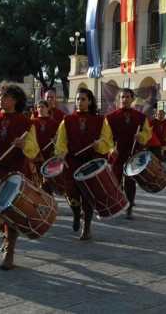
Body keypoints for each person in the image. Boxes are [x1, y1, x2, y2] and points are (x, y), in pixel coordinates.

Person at [0, 82, 40, 270]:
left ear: (15, 100)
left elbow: (34, 150)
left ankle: (9, 251)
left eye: (5, 96)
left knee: (10, 210)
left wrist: (23, 145)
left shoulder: (26, 123)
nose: (0, 99)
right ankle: (5, 235)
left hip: (15, 172)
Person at [54, 87, 113, 241]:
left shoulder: (101, 120)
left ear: (90, 101)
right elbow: (61, 141)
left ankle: (86, 228)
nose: (80, 102)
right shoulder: (67, 120)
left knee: (87, 196)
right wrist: (61, 155)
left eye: (83, 99)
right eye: (78, 99)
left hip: (91, 162)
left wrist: (99, 145)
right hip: (72, 162)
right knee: (71, 193)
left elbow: (107, 141)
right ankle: (75, 213)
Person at [106, 88, 152, 219]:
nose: (124, 99)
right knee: (115, 181)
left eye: (127, 97)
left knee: (130, 182)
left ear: (132, 99)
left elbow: (148, 133)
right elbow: (106, 137)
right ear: (119, 99)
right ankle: (118, 204)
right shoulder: (110, 117)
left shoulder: (141, 117)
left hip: (133, 154)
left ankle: (130, 206)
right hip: (117, 154)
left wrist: (141, 136)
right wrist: (110, 149)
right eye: (122, 97)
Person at [32, 100, 60, 193]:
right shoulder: (32, 122)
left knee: (48, 183)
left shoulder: (54, 123)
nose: (40, 109)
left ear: (48, 108)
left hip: (49, 155)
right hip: (36, 155)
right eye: (39, 107)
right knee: (36, 181)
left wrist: (56, 140)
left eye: (43, 107)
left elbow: (59, 138)